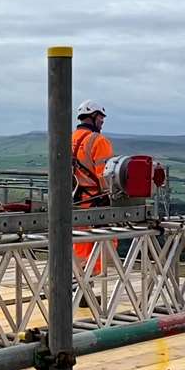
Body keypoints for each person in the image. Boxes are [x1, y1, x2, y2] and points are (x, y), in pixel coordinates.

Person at [72, 99, 113, 276]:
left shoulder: (68, 138)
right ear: (94, 117)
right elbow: (105, 175)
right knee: (102, 242)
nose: (102, 123)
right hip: (95, 201)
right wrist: (109, 197)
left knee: (79, 243)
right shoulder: (99, 141)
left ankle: (77, 282)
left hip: (74, 200)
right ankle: (86, 281)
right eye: (101, 119)